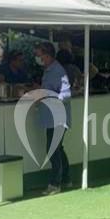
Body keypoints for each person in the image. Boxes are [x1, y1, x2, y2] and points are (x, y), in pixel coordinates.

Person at [34, 41, 71, 194]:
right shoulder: (49, 70)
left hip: (58, 117)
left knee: (52, 149)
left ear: (47, 55)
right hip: (51, 117)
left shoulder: (57, 71)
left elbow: (66, 94)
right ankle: (66, 179)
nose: (38, 57)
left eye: (39, 55)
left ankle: (55, 184)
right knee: (57, 149)